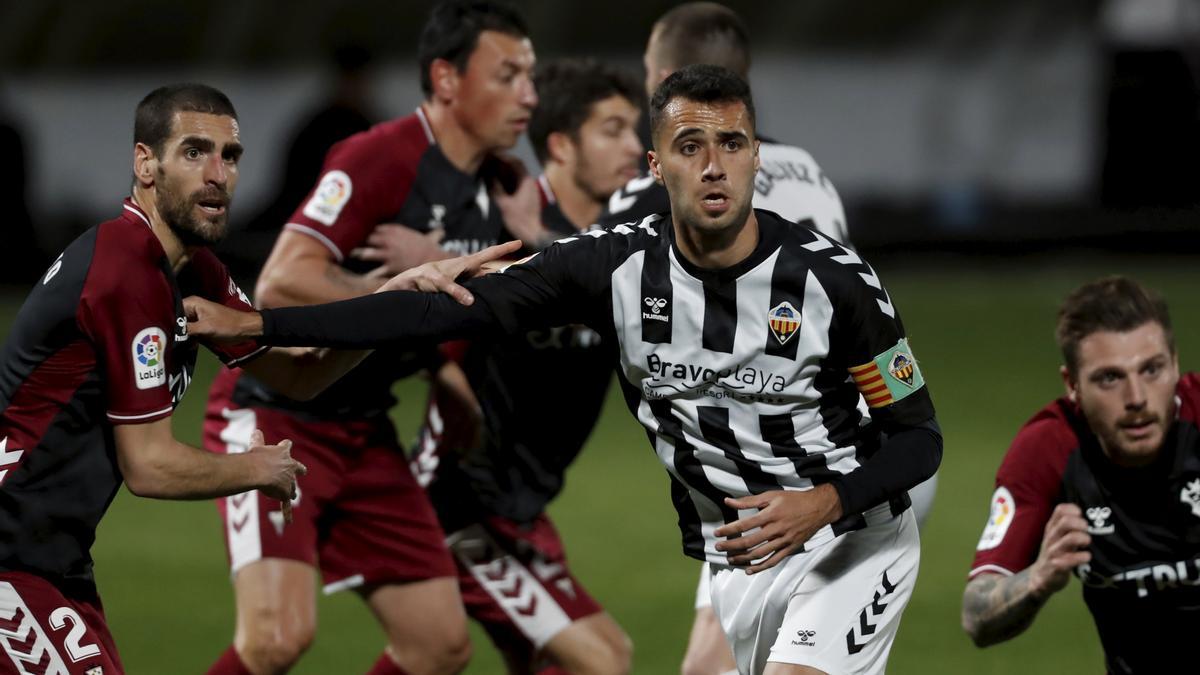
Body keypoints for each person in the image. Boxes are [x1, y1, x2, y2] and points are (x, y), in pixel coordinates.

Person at [187, 65, 942, 675]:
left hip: (850, 538)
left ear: (754, 155)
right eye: (690, 146)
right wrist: (260, 324)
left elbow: (917, 439)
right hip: (737, 558)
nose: (714, 165)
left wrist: (823, 502)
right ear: (656, 166)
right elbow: (433, 310)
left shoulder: (834, 283)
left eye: (733, 143)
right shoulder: (611, 267)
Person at [200, 2, 539, 674]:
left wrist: (443, 369)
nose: (529, 94)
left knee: (438, 647)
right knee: (275, 639)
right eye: (508, 75)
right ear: (446, 79)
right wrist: (397, 293)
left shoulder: (497, 185)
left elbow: (447, 301)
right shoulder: (379, 156)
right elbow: (282, 282)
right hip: (277, 415)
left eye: (531, 76)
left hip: (364, 429)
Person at [599, 5, 939, 673]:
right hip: (867, 441)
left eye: (647, 76)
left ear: (671, 78)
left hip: (802, 471)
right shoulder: (806, 168)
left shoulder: (669, 193)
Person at [0, 84, 316, 675]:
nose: (217, 174)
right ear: (145, 164)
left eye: (230, 155)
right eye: (195, 152)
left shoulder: (193, 269)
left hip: (54, 559)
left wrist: (396, 304)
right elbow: (148, 465)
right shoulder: (124, 271)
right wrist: (257, 469)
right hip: (12, 556)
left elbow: (295, 374)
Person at [405, 58, 642, 674]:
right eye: (613, 129)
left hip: (522, 507)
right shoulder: (493, 227)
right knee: (602, 659)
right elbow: (431, 337)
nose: (634, 147)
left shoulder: (620, 240)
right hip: (459, 500)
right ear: (560, 146)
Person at [962, 276, 1199, 675]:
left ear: (1175, 364)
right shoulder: (1048, 450)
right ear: (1072, 385)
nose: (1137, 398)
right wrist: (1038, 577)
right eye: (1110, 378)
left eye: (1152, 370)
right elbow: (976, 615)